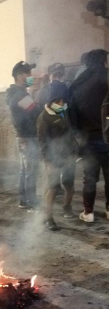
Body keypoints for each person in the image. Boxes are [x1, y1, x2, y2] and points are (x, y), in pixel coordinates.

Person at [69, 49, 109, 222]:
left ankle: (88, 212)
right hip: (107, 137)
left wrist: (78, 135)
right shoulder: (107, 78)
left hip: (86, 138)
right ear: (103, 61)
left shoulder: (78, 83)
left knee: (90, 177)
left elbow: (71, 113)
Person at [37, 82, 77, 231]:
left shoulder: (65, 112)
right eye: (57, 101)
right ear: (50, 101)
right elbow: (42, 141)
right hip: (53, 158)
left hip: (68, 155)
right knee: (52, 187)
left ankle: (67, 207)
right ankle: (48, 217)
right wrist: (48, 161)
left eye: (63, 100)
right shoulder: (44, 118)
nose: (61, 103)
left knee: (69, 184)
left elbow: (71, 132)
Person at [6, 61, 41, 211]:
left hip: (24, 137)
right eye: (28, 74)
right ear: (20, 76)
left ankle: (24, 199)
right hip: (28, 137)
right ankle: (30, 201)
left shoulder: (16, 93)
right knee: (31, 170)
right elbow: (36, 111)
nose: (31, 77)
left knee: (25, 169)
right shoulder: (20, 95)